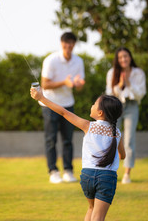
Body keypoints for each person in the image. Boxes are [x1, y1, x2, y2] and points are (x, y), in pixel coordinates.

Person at [31, 87, 125, 221]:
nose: (92, 105)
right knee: (98, 217)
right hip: (107, 178)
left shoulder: (88, 126)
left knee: (91, 209)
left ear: (100, 113)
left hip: (87, 176)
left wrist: (41, 98)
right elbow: (122, 156)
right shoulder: (118, 133)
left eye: (94, 104)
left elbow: (63, 112)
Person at [40, 32, 85, 183]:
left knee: (68, 139)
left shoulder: (78, 61)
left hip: (68, 103)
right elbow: (45, 84)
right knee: (51, 139)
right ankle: (53, 171)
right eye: (66, 42)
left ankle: (68, 171)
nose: (69, 45)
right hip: (50, 103)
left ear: (74, 44)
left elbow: (78, 86)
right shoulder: (51, 60)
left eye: (72, 43)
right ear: (61, 43)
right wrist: (64, 83)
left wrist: (78, 85)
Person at [105, 47, 146, 184]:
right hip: (116, 106)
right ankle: (110, 170)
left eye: (126, 56)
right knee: (113, 138)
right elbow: (109, 94)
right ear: (117, 59)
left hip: (132, 106)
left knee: (129, 140)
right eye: (120, 57)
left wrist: (129, 84)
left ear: (130, 57)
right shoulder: (112, 73)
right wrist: (120, 84)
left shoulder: (138, 73)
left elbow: (141, 93)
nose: (123, 59)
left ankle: (127, 173)